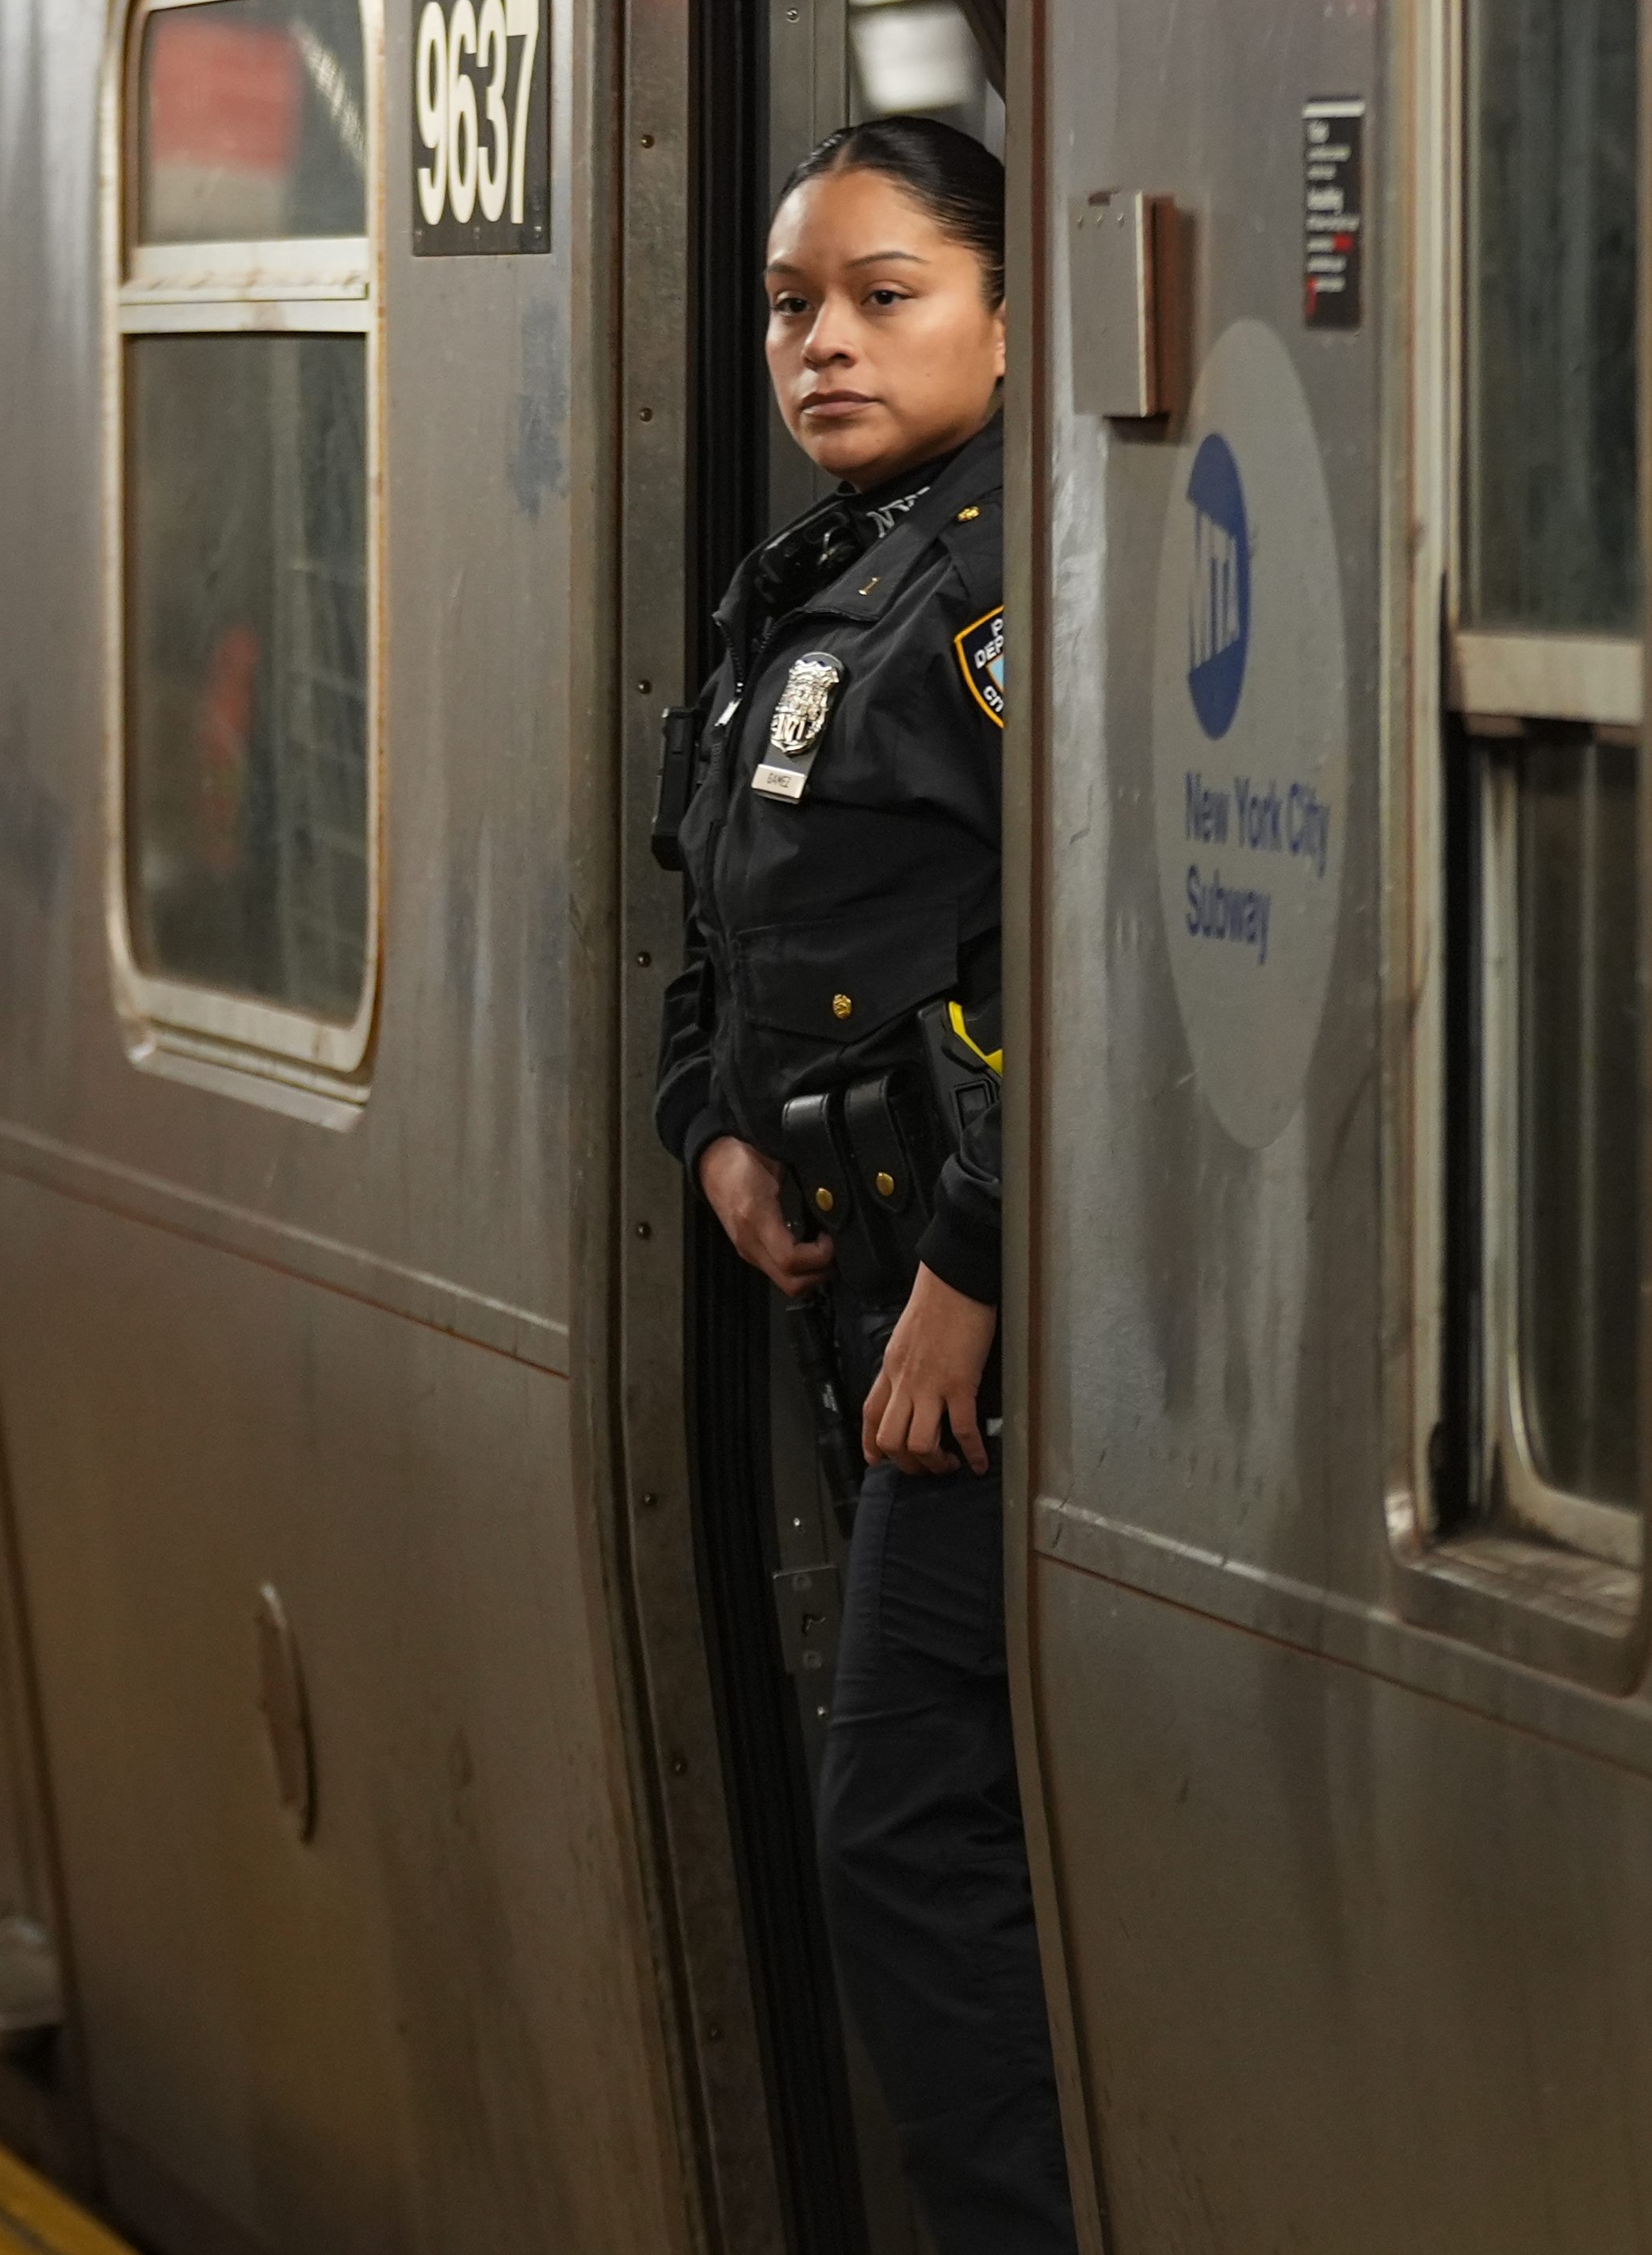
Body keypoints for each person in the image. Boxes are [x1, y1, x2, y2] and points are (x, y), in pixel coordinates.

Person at [652, 115, 1068, 2253]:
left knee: (901, 1823)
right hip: (859, 1286)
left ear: (1006, 312)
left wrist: (977, 1275)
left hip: (969, 1326)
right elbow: (716, 916)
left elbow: (1076, 959)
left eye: (883, 295)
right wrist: (709, 1134)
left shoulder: (1008, 593)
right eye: (789, 303)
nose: (820, 342)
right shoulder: (809, 575)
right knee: (939, 1810)